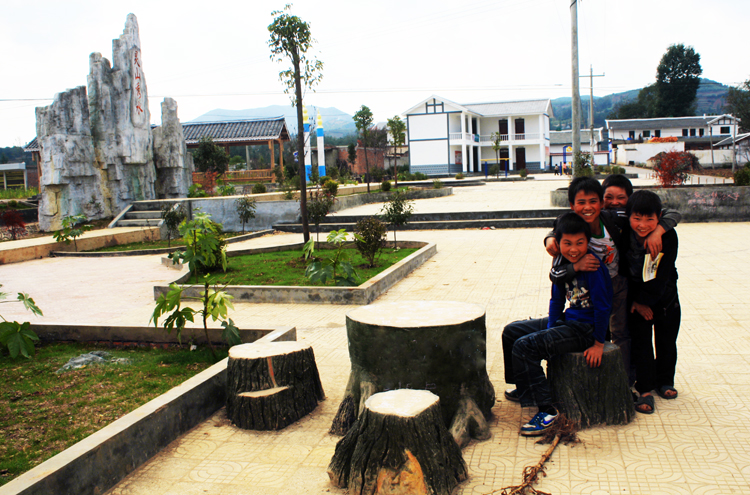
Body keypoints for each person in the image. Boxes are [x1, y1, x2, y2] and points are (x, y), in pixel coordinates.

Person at [543, 177, 680, 387]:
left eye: (593, 201)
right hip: (591, 289)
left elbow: (666, 213)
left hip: (619, 284)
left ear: (601, 203)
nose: (587, 207)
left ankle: (624, 382)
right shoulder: (570, 226)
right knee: (597, 332)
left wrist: (659, 230)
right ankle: (596, 379)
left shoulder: (614, 218)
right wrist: (553, 242)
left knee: (622, 333)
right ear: (572, 205)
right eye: (581, 202)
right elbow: (556, 261)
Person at [503, 212, 612, 436]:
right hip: (567, 322)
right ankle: (524, 388)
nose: (574, 249)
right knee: (512, 332)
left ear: (588, 242)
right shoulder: (562, 264)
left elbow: (603, 308)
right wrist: (552, 330)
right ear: (558, 243)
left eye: (580, 243)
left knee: (525, 347)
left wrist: (598, 343)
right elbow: (556, 300)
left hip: (586, 330)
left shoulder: (593, 267)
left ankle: (548, 412)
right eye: (567, 243)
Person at [622, 190, 681, 414]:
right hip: (636, 298)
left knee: (667, 340)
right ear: (628, 216)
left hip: (665, 296)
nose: (642, 225)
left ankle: (665, 381)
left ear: (659, 218)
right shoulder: (624, 234)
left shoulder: (668, 236)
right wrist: (637, 302)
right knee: (642, 343)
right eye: (637, 218)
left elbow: (663, 274)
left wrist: (645, 300)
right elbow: (624, 270)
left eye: (650, 219)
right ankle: (645, 389)